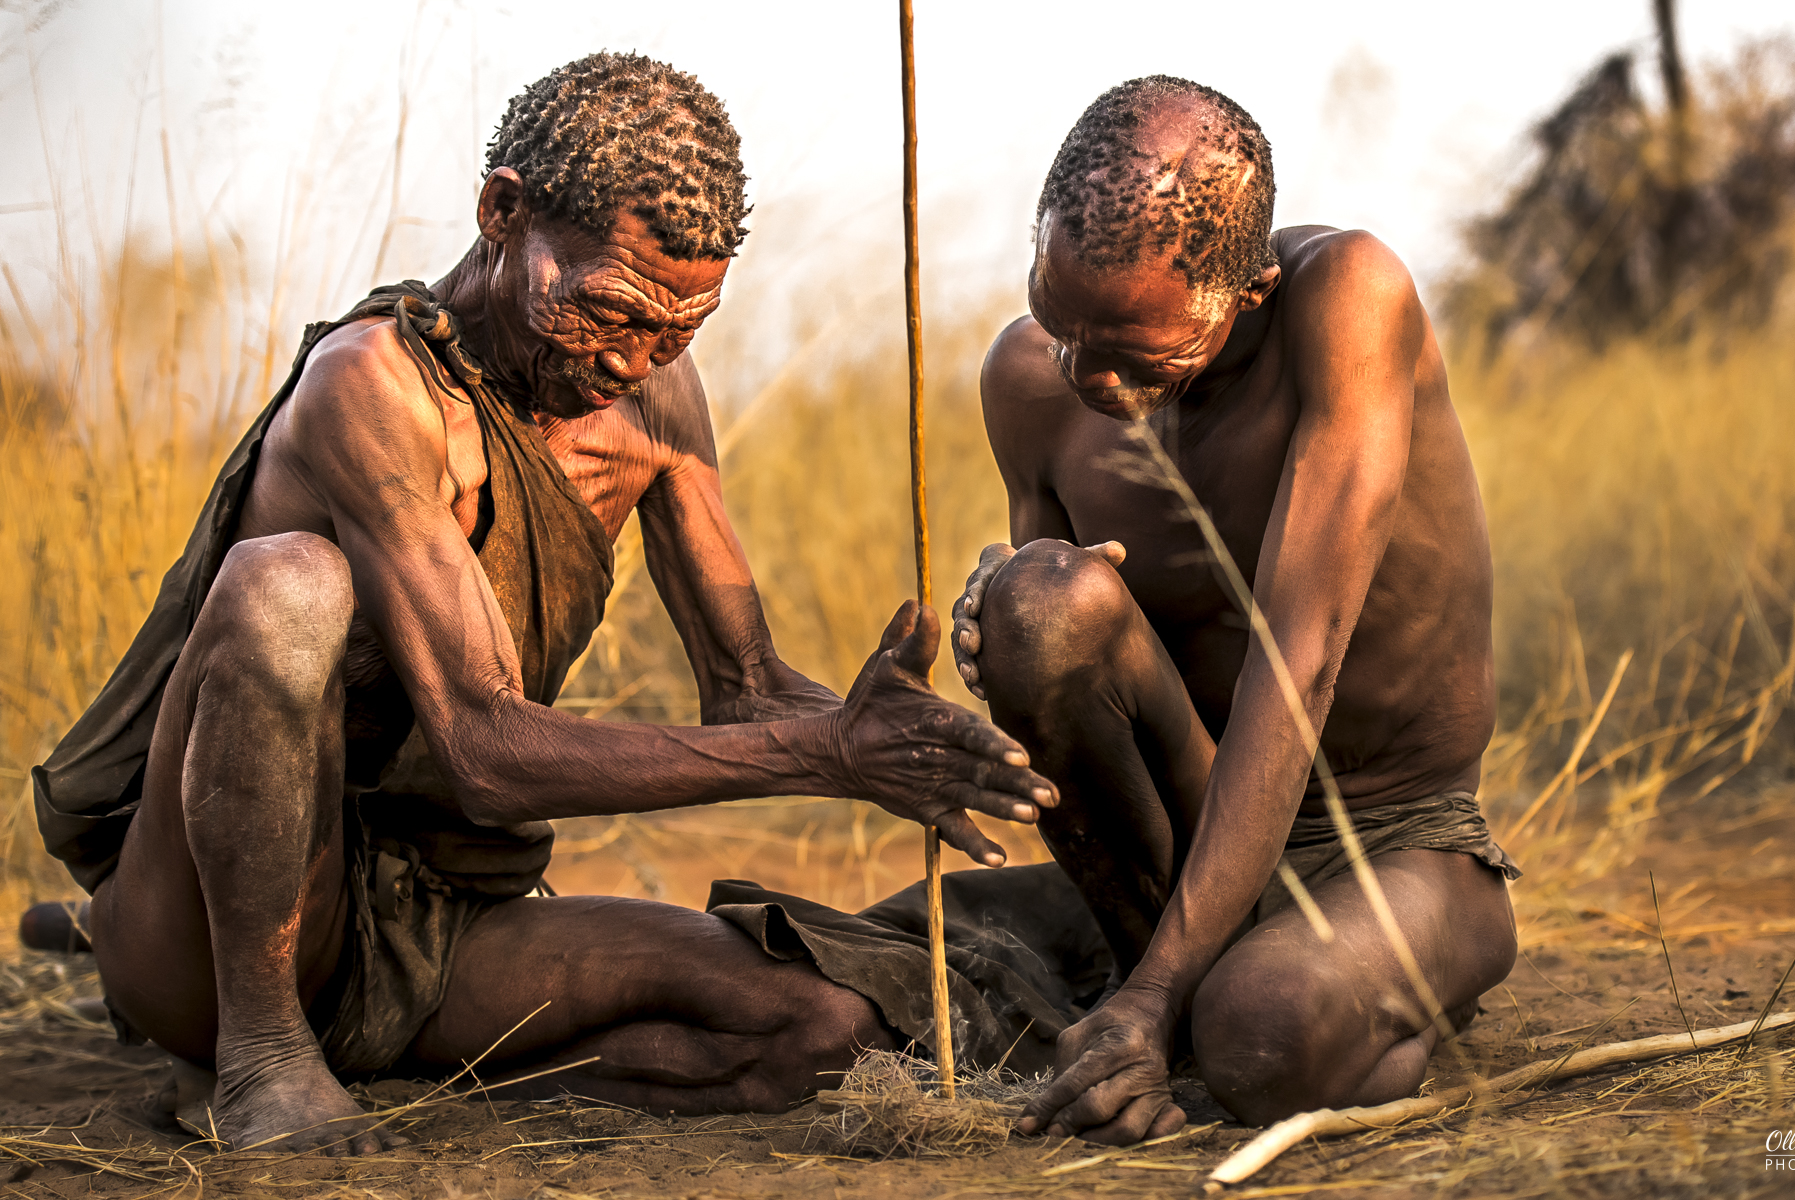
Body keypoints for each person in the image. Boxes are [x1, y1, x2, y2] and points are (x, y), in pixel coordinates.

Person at [30, 52, 1054, 1157]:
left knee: (818, 1026)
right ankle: (261, 1057)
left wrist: (903, 743)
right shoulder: (372, 390)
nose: (633, 360)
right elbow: (485, 745)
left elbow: (747, 692)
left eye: (680, 329)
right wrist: (827, 757)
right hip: (227, 940)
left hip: (444, 923)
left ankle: (396, 1069)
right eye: (610, 311)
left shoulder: (654, 389)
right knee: (286, 586)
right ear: (503, 212)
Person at [949, 75, 1520, 1144]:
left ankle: (1212, 991)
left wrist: (1159, 1002)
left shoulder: (1346, 300)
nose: (1087, 378)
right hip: (1185, 827)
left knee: (1260, 1036)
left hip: (1385, 838)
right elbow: (1065, 720)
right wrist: (998, 631)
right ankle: (1146, 975)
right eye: (1056, 321)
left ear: (1249, 293)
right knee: (1038, 598)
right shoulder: (1028, 383)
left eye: (1136, 356)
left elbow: (1297, 664)